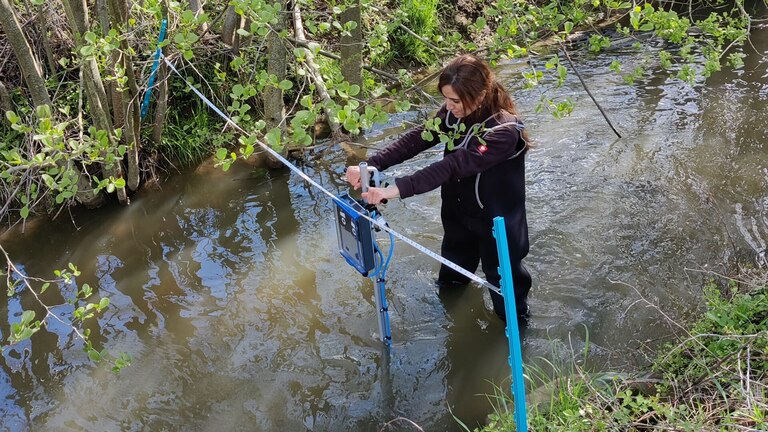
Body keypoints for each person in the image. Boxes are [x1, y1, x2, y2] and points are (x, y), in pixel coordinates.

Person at [345, 54, 532, 322]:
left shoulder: (503, 131)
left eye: (455, 100)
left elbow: (453, 166)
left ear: (480, 94)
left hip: (498, 223)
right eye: (446, 99)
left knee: (507, 299)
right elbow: (420, 137)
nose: (448, 107)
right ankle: (450, 325)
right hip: (458, 213)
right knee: (451, 281)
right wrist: (372, 165)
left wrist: (392, 190)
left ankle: (517, 333)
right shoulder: (452, 113)